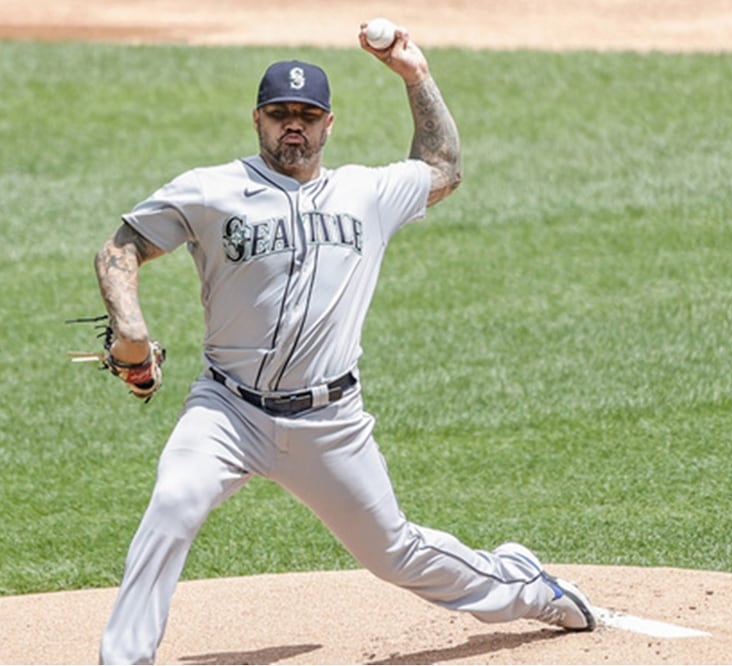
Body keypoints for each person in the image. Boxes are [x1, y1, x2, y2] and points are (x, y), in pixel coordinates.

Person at [93, 21, 596, 665]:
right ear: (257, 119)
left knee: (395, 554)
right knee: (172, 504)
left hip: (328, 422)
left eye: (307, 114)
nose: (293, 125)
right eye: (280, 114)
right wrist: (131, 327)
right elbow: (122, 246)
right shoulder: (211, 191)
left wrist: (416, 74)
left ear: (329, 123)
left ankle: (526, 586)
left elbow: (444, 167)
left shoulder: (367, 194)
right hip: (227, 411)